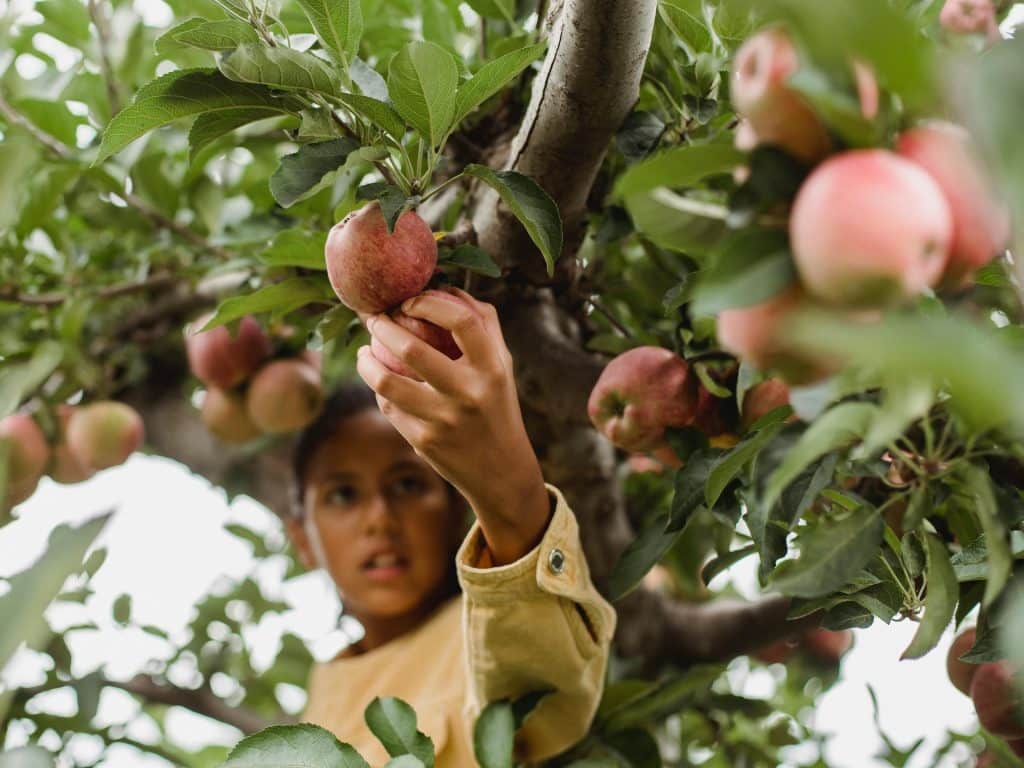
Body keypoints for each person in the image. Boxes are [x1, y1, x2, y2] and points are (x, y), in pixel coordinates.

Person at [284, 286, 616, 766]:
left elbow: (540, 678)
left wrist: (511, 496)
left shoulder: (485, 632)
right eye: (343, 495)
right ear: (302, 539)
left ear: (454, 507)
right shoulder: (314, 712)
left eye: (406, 485)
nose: (379, 519)